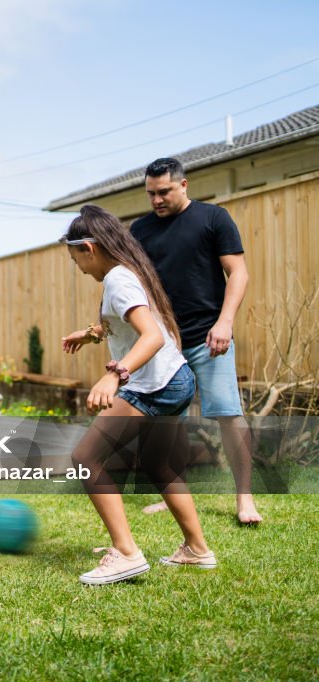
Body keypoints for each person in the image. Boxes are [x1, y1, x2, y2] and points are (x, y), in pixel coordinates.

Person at [61, 205, 215, 586]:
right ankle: (197, 549)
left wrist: (115, 376)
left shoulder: (118, 279)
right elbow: (128, 322)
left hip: (153, 384)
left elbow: (152, 335)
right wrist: (93, 333)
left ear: (90, 249)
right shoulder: (126, 273)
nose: (77, 266)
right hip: (175, 378)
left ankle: (126, 554)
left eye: (74, 257)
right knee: (160, 466)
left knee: (86, 458)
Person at [131, 157, 261, 525]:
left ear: (184, 185)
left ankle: (245, 498)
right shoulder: (141, 230)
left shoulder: (213, 218)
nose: (157, 200)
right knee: (169, 422)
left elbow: (237, 272)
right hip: (165, 342)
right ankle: (174, 492)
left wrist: (225, 322)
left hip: (209, 337)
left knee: (228, 414)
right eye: (151, 194)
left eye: (164, 192)